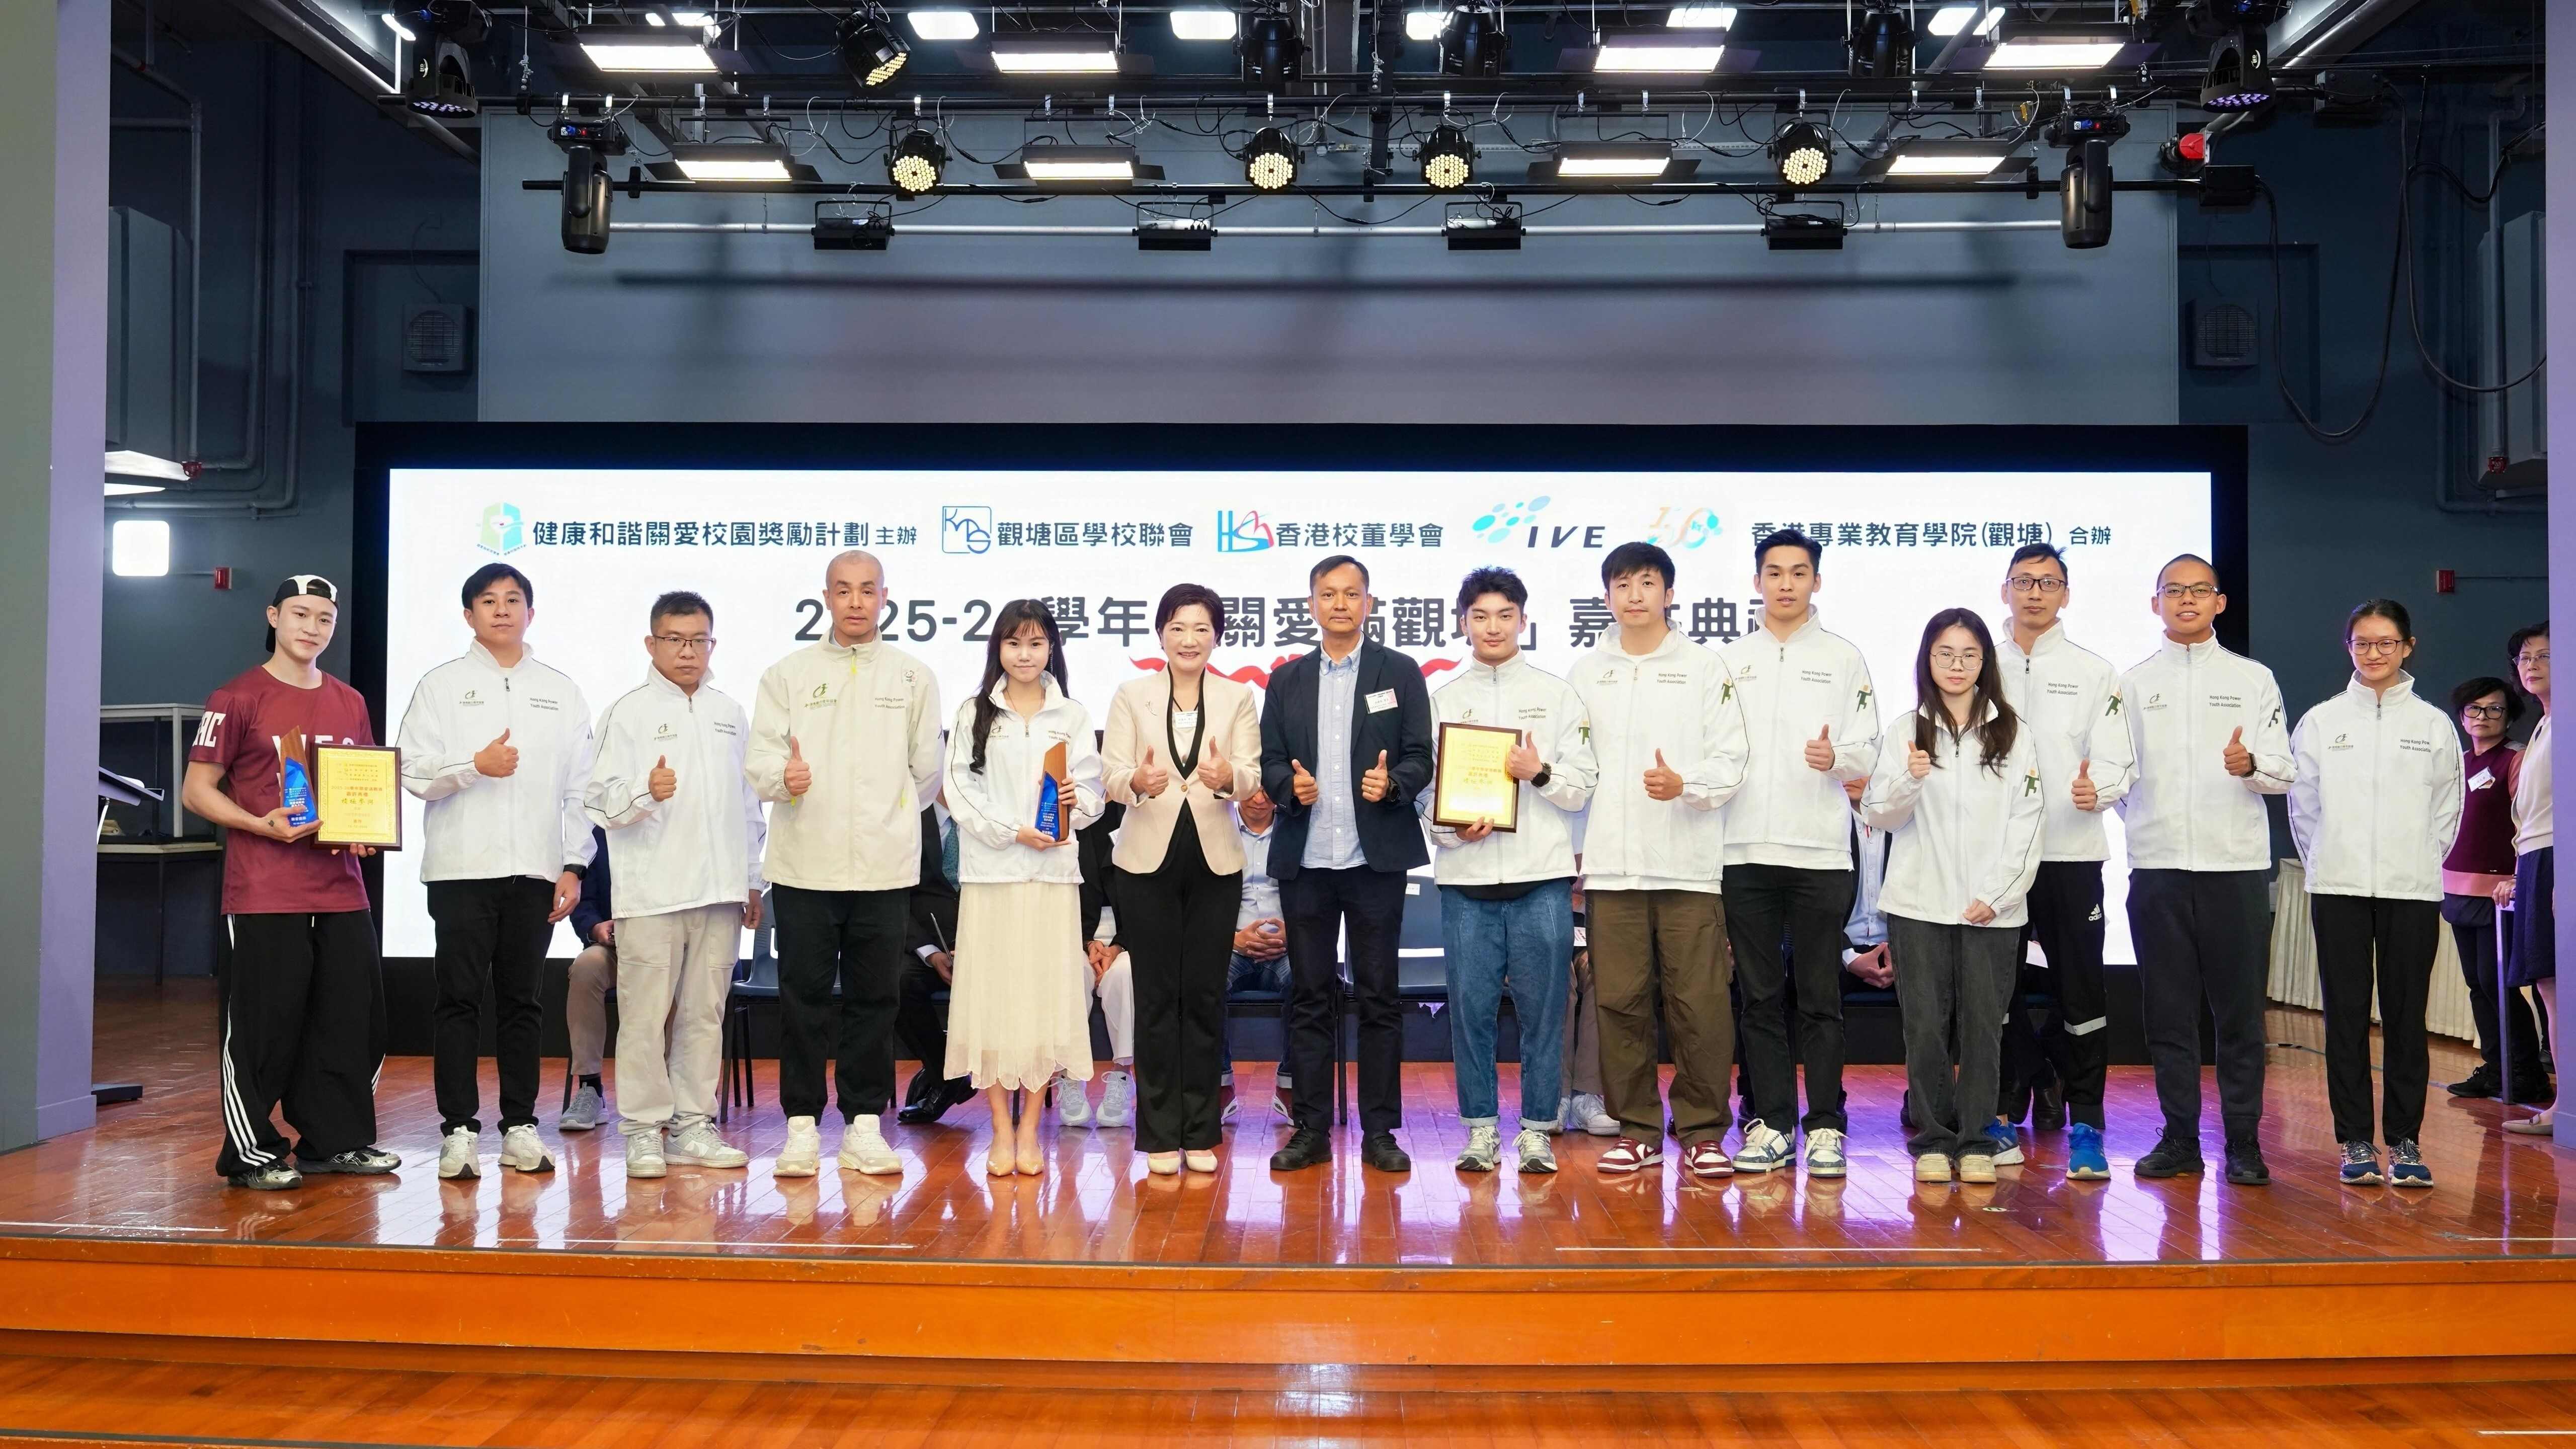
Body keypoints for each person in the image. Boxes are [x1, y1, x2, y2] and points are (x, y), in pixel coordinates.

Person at [184, 575, 398, 1190]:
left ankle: (336, 1141)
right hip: (263, 890)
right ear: (273, 617)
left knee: (349, 1020)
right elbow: (197, 791)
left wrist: (363, 829)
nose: (313, 627)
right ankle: (251, 1151)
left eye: (325, 618)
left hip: (341, 889)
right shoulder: (236, 697)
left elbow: (358, 786)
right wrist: (259, 824)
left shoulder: (349, 700)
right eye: (301, 614)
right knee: (262, 1027)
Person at [744, 550, 942, 1178]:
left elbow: (926, 773)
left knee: (875, 1000)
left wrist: (887, 814)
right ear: (825, 597)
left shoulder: (912, 676)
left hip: (884, 868)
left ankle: (863, 1126)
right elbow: (759, 762)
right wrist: (785, 778)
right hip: (805, 865)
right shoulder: (787, 674)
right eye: (843, 590)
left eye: (867, 590)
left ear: (885, 597)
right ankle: (801, 1127)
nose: (856, 602)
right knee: (802, 999)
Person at [396, 563, 597, 1181]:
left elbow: (580, 788)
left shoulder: (560, 691)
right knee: (457, 1000)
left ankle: (519, 1127)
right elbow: (413, 772)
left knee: (522, 1003)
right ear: (469, 615)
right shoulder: (440, 685)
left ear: (531, 613)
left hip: (534, 873)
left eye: (514, 600)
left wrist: (573, 864)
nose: (502, 610)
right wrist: (473, 765)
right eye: (488, 601)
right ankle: (458, 1130)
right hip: (460, 870)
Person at [1573, 542, 1752, 1177]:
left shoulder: (1703, 667)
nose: (1634, 595)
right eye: (1621, 584)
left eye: (1647, 583)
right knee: (1619, 1003)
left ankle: (1702, 1131)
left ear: (1669, 594)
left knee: (1699, 1005)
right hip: (1611, 868)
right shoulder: (1585, 672)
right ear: (1606, 597)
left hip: (1688, 866)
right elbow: (1574, 769)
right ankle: (1637, 1129)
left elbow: (1731, 759)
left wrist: (1686, 785)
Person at [2116, 554, 2291, 1186]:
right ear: (2155, 602)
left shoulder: (2253, 678)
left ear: (2219, 602)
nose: (2185, 600)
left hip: (2234, 868)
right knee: (2167, 1016)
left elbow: (2282, 772)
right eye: (2173, 591)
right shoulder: (2132, 684)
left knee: (2238, 1017)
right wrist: (2145, 822)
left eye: (2198, 591)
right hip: (2157, 870)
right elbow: (2117, 777)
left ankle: (2242, 1142)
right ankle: (2179, 1139)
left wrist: (2249, 766)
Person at [1259, 554, 1436, 1174]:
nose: (1340, 604)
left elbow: (1420, 755)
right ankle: (1309, 1128)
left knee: (1379, 997)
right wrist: (1288, 787)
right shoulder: (1285, 679)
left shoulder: (1399, 671)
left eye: (1351, 594)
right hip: (1307, 861)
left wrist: (1393, 784)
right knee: (1309, 997)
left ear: (1369, 603)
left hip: (1373, 860)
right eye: (1328, 594)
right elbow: (1269, 759)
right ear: (1311, 604)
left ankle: (1380, 1132)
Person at [584, 591, 768, 1179]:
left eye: (698, 640)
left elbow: (748, 805)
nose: (687, 651)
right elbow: (597, 801)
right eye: (675, 640)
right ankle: (642, 1131)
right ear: (651, 643)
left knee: (704, 1015)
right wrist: (645, 791)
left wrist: (751, 881)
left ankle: (693, 1126)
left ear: (712, 644)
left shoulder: (729, 712)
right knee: (644, 1017)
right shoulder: (627, 712)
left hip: (719, 894)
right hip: (652, 894)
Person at [1421, 568, 1599, 1174]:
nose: (1492, 627)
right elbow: (1425, 794)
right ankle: (1479, 1130)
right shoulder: (1443, 699)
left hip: (1541, 880)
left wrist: (1537, 773)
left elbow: (1582, 785)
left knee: (1543, 1014)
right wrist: (1453, 829)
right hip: (1465, 881)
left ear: (1523, 620)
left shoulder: (1557, 695)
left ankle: (1536, 1131)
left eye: (1504, 615)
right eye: (1479, 616)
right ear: (1463, 622)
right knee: (1469, 1014)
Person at [1862, 608, 2044, 1185]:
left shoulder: (2013, 733)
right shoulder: (1905, 730)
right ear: (1927, 660)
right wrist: (1909, 777)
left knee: (1984, 1028)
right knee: (1924, 1027)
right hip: (1918, 905)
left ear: (1984, 662)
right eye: (1944, 653)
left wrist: (1999, 894)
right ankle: (1934, 1140)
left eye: (1968, 654)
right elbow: (1877, 814)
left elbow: (2028, 820)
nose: (1956, 665)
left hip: (1992, 910)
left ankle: (1976, 1140)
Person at [1717, 529, 1879, 1176]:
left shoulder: (1843, 658)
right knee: (1758, 999)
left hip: (1819, 854)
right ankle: (1772, 1125)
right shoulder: (1729, 660)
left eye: (1799, 573)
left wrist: (1836, 757)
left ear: (1816, 582)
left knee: (1819, 998)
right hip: (1741, 852)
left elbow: (1868, 747)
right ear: (1756, 582)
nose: (1786, 584)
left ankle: (1826, 1127)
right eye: (1774, 572)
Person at [2289, 599, 2461, 1188]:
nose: (2373, 653)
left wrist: (2416, 861)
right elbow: (2303, 809)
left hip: (2410, 890)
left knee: (2406, 1018)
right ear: (2348, 648)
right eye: (2361, 643)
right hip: (2336, 888)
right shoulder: (2321, 721)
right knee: (2343, 1017)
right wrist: (2327, 861)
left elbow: (2447, 810)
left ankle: (2406, 1141)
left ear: (2406, 647)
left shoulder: (2432, 725)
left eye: (2385, 642)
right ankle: (2354, 1141)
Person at [1099, 585, 1264, 1174]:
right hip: (1145, 862)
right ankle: (1158, 1135)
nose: (1188, 640)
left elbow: (1250, 775)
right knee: (1154, 998)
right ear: (1160, 635)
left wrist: (1228, 779)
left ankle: (1199, 1131)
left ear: (1216, 636)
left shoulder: (1237, 696)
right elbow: (1111, 774)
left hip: (1215, 862)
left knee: (1203, 996)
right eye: (1176, 627)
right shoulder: (1131, 695)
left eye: (1200, 628)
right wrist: (1135, 784)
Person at [940, 599, 1104, 1177]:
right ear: (998, 649)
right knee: (990, 1001)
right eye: (1014, 643)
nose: (1025, 654)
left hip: (1052, 878)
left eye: (1035, 643)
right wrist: (1014, 831)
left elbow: (1094, 795)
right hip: (993, 876)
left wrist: (1076, 803)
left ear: (1051, 648)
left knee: (1044, 1002)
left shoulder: (1072, 715)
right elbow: (959, 791)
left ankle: (1031, 1128)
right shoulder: (973, 712)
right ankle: (999, 1128)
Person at [1990, 542, 2135, 1181]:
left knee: (2082, 994)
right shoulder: (1978, 662)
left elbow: (2116, 760)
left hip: (2070, 855)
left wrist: (2095, 790)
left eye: (2047, 583)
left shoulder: (2093, 672)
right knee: (1997, 995)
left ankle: (2087, 1124)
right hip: (1993, 860)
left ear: (2065, 595)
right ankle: (2000, 1109)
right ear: (2004, 590)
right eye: (2023, 581)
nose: (2034, 593)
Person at [2442, 676, 2545, 1103]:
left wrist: (2520, 877)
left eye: (2494, 709)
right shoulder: (2457, 762)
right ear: (2462, 715)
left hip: (2499, 892)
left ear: (2509, 716)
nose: (2483, 716)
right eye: (2474, 709)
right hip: (2455, 887)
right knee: (2476, 984)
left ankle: (2526, 1071)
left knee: (2496, 981)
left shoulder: (2516, 759)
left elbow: (2531, 821)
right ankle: (2496, 1066)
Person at [2500, 622, 2556, 1137]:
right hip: (2536, 859)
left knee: (2560, 990)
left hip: (2558, 860)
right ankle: (2565, 1105)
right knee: (2549, 988)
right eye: (2524, 657)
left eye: (2543, 655)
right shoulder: (2542, 726)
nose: (2531, 665)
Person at [894, 788, 975, 1126]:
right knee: (897, 982)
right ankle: (946, 1073)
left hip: (988, 942)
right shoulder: (908, 821)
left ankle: (943, 1078)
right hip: (928, 945)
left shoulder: (989, 817)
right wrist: (931, 953)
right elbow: (897, 895)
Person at [1221, 788, 1294, 1124]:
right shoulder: (1217, 830)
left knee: (1309, 981)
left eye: (1268, 791)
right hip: (1232, 945)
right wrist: (1232, 939)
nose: (1260, 800)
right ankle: (1219, 1084)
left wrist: (1294, 935)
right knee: (1204, 980)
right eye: (1252, 790)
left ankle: (1291, 1084)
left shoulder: (1296, 830)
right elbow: (1201, 899)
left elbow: (1316, 894)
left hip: (1286, 948)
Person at [1062, 800, 1135, 1129]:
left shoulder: (1137, 812)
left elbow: (1150, 898)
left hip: (1131, 937)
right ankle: (1070, 1076)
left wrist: (1118, 946)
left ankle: (1122, 1075)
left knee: (1125, 976)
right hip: (1072, 935)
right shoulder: (1062, 814)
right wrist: (1087, 944)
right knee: (1071, 972)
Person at [562, 825, 615, 1130]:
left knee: (682, 976)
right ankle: (590, 1088)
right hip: (616, 948)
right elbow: (583, 901)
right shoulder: (600, 834)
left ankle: (677, 1091)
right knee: (586, 967)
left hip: (671, 947)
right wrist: (596, 928)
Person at [1558, 875, 1618, 1137]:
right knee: (1558, 979)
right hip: (1541, 932)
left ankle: (1587, 1095)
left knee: (1604, 973)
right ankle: (1556, 1095)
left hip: (1593, 931)